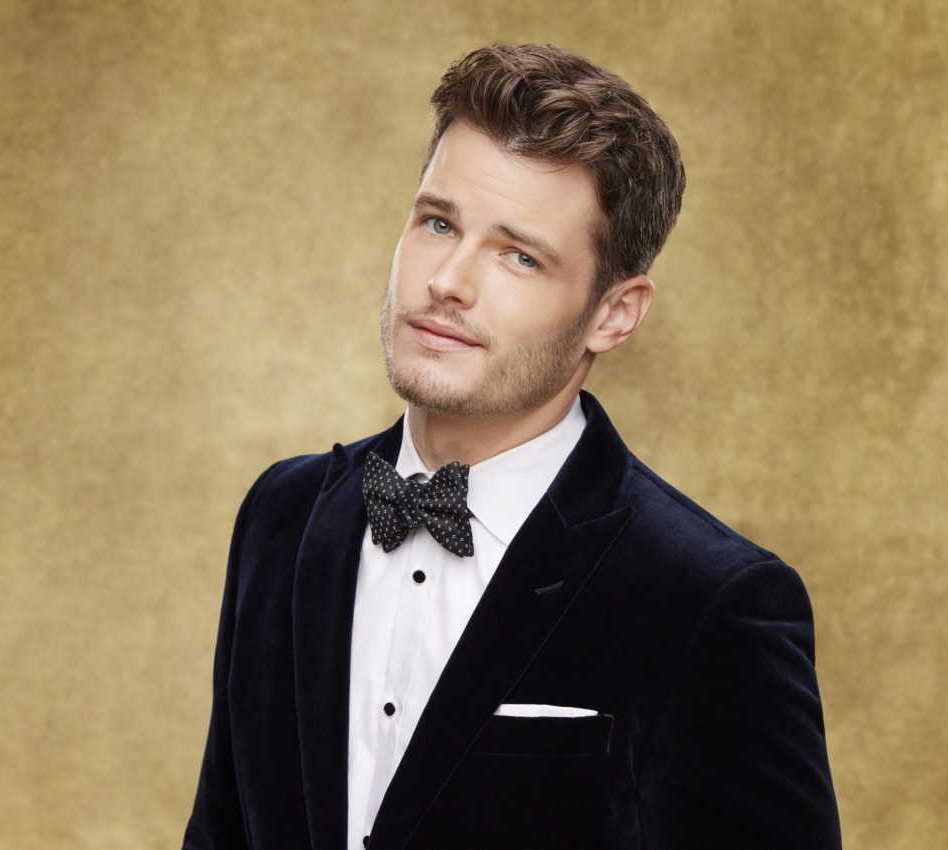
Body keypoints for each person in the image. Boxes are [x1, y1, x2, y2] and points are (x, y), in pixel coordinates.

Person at [182, 43, 842, 850]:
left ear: (615, 314)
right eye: (438, 223)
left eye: (519, 257)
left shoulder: (709, 600)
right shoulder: (281, 518)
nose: (448, 282)